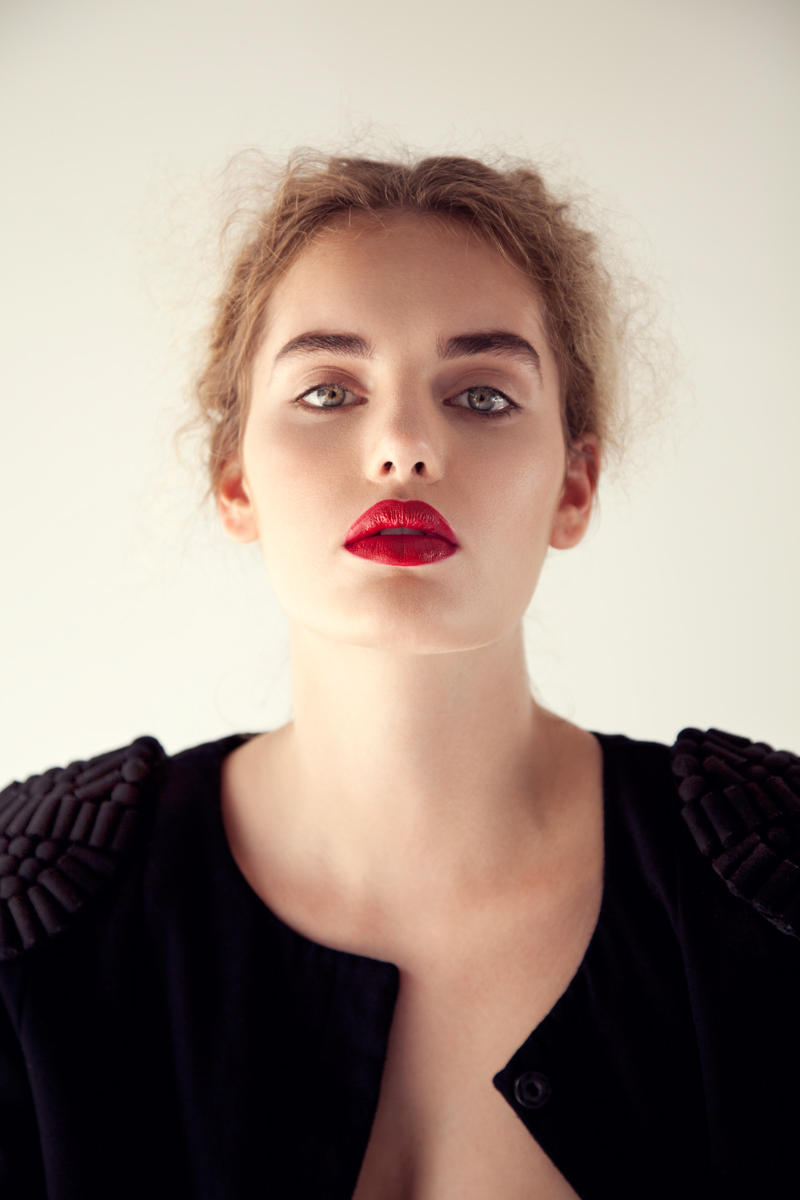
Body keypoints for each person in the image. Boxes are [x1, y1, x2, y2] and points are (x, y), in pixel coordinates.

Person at [0, 152, 798, 1200]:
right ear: (235, 480)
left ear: (574, 485)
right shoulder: (30, 918)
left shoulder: (776, 883)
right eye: (329, 391)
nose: (404, 446)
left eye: (482, 395)